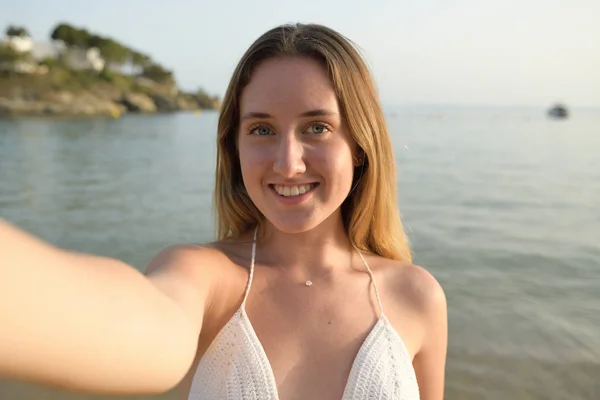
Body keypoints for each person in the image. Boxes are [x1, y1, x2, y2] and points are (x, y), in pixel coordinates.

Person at [0, 23, 447, 399]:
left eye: (317, 127)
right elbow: (134, 322)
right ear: (234, 148)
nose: (288, 162)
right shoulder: (205, 280)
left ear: (360, 146)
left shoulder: (416, 298)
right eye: (262, 129)